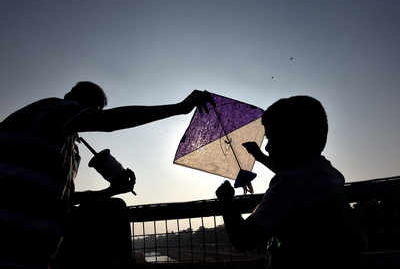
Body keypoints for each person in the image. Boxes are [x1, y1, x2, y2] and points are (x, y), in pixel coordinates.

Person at [0, 81, 213, 268]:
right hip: (14, 228)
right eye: (93, 109)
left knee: (112, 205)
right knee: (113, 211)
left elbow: (68, 199)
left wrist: (110, 190)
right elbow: (109, 121)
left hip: (34, 237)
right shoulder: (54, 108)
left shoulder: (63, 145)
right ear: (74, 101)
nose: (90, 116)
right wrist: (180, 108)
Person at [216, 95, 364, 269]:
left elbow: (243, 239)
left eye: (272, 139)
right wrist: (260, 157)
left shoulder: (287, 188)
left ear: (293, 140)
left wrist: (226, 201)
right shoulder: (326, 173)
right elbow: (297, 174)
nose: (267, 147)